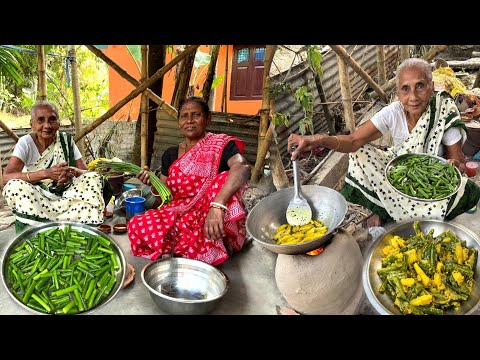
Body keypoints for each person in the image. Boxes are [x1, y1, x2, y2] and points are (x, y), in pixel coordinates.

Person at [288, 58, 480, 227]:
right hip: (400, 173)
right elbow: (354, 140)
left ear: (431, 87)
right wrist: (320, 139)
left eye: (420, 86)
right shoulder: (393, 112)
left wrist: (454, 166)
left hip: (433, 181)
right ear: (397, 92)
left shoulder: (443, 110)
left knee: (461, 194)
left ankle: (404, 210)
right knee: (360, 152)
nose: (412, 97)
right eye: (405, 89)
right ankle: (383, 208)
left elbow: (458, 160)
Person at [128, 96, 251, 266]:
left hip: (211, 213)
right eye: (184, 116)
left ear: (208, 119)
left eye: (196, 115)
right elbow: (164, 200)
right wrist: (153, 184)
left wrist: (218, 206)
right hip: (179, 213)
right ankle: (190, 245)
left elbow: (242, 167)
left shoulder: (220, 145)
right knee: (137, 224)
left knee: (224, 178)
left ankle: (213, 242)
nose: (190, 121)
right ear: (179, 122)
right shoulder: (170, 154)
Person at [2, 101, 109, 233]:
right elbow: (7, 177)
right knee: (14, 186)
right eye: (40, 120)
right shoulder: (26, 143)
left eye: (52, 119)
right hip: (38, 198)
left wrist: (73, 172)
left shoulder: (65, 140)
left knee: (93, 178)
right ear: (32, 124)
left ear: (59, 122)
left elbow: (85, 172)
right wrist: (46, 173)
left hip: (66, 195)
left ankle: (78, 227)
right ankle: (40, 228)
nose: (47, 125)